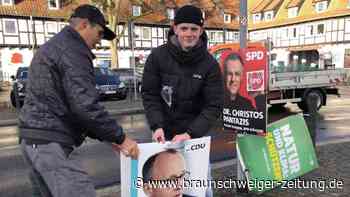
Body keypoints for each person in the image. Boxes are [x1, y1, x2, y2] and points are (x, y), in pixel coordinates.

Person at [18, 4, 139, 197]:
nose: (99, 42)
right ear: (84, 25)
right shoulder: (74, 50)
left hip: (34, 140)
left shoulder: (55, 45)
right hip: (51, 143)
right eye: (99, 33)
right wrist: (121, 138)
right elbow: (85, 106)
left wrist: (109, 138)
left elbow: (71, 105)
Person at [142, 5, 223, 197]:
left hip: (194, 139)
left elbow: (214, 105)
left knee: (199, 187)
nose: (189, 33)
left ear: (201, 31)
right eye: (184, 28)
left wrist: (190, 133)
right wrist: (156, 126)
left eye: (194, 29)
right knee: (166, 188)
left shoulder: (210, 64)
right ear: (175, 28)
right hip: (164, 137)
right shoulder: (157, 57)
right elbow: (150, 94)